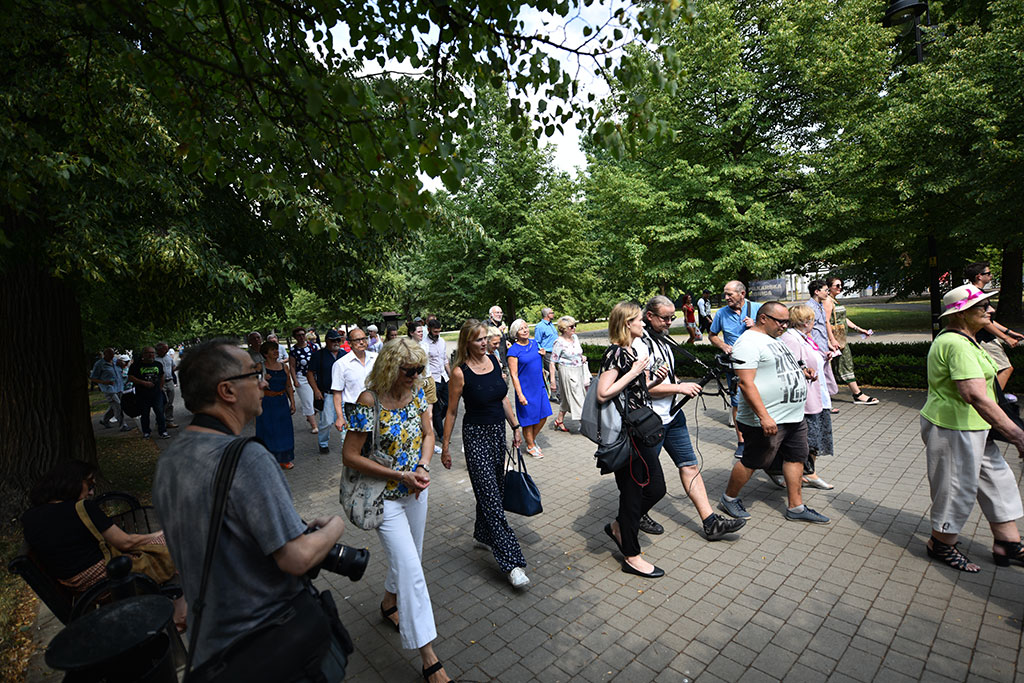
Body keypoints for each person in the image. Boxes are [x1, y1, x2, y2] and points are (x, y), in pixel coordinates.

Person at [154, 339, 347, 677]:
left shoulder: (171, 459)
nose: (264, 381)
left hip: (214, 650)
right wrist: (334, 528)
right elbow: (296, 557)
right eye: (255, 374)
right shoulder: (247, 457)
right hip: (272, 645)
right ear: (227, 391)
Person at [342, 339, 453, 683]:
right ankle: (430, 661)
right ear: (390, 366)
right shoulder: (368, 401)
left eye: (420, 369)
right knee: (411, 572)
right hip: (384, 497)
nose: (417, 375)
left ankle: (389, 604)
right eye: (410, 370)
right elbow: (350, 455)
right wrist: (398, 475)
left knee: (411, 559)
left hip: (415, 491)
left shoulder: (418, 391)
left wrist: (422, 465)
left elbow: (428, 433)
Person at [920, 284, 1024, 572]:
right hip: (953, 427)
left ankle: (1008, 543)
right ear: (962, 313)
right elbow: (974, 394)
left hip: (975, 426)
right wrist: (1017, 435)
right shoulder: (954, 343)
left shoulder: (968, 339)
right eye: (983, 307)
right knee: (956, 487)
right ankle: (940, 543)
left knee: (997, 481)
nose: (990, 311)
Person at [21, 459, 185, 629]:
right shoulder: (81, 508)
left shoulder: (30, 517)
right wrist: (158, 534)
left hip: (76, 585)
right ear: (72, 482)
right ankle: (178, 615)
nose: (91, 492)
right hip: (107, 579)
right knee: (174, 539)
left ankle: (177, 606)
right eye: (89, 483)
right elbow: (126, 542)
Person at [634, 296, 747, 542]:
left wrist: (676, 385)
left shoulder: (663, 340)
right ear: (649, 316)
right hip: (648, 421)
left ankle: (710, 522)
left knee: (689, 465)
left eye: (671, 317)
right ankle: (633, 516)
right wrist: (680, 388)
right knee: (646, 479)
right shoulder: (638, 345)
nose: (669, 322)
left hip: (673, 416)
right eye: (664, 318)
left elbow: (666, 377)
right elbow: (641, 388)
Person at [717, 302, 830, 525]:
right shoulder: (748, 343)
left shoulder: (775, 340)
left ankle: (796, 507)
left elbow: (780, 368)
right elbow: (746, 384)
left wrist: (803, 372)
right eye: (781, 322)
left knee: (796, 457)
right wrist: (764, 416)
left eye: (787, 322)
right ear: (763, 319)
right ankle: (729, 498)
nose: (785, 326)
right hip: (767, 419)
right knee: (753, 460)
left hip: (794, 416)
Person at [440, 320, 529, 588]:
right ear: (467, 342)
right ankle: (512, 563)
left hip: (496, 434)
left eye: (486, 338)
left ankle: (482, 532)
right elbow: (452, 411)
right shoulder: (460, 372)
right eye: (478, 339)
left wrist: (515, 426)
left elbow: (502, 397)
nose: (485, 343)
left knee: (494, 489)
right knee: (491, 497)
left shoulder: (493, 361)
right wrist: (445, 447)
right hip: (476, 436)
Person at [597, 301, 670, 577]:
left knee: (656, 488)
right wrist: (635, 372)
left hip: (641, 430)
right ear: (627, 323)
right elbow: (604, 393)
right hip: (627, 436)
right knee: (632, 493)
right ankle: (631, 555)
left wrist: (650, 381)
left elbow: (632, 394)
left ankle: (619, 526)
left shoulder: (631, 351)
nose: (643, 323)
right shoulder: (615, 353)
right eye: (639, 320)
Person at [769, 304, 836, 490]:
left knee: (814, 438)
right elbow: (790, 368)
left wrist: (824, 357)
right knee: (808, 439)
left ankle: (806, 472)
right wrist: (805, 372)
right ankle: (802, 473)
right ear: (806, 322)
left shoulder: (804, 337)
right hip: (805, 399)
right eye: (813, 320)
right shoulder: (792, 339)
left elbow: (808, 360)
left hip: (816, 395)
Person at [709, 280, 761, 456]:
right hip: (735, 366)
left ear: (742, 294)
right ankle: (742, 441)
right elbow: (712, 335)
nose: (726, 297)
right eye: (725, 294)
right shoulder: (721, 314)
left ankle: (762, 436)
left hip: (758, 365)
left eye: (729, 294)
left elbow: (776, 333)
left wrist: (755, 327)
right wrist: (723, 346)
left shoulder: (758, 309)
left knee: (761, 398)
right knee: (737, 401)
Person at [964, 263, 1022, 394]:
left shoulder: (976, 293)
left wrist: (1009, 332)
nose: (991, 276)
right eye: (988, 273)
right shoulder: (975, 294)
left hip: (982, 338)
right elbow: (984, 322)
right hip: (983, 338)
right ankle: (993, 401)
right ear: (979, 276)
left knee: (988, 371)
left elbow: (989, 320)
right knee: (1005, 368)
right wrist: (1006, 338)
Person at [823, 277, 879, 406]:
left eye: (841, 285)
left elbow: (842, 318)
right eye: (837, 285)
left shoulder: (833, 300)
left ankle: (853, 394)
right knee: (843, 365)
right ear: (829, 287)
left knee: (842, 365)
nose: (840, 288)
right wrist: (831, 340)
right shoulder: (827, 301)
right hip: (835, 341)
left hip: (840, 339)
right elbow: (826, 321)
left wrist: (859, 329)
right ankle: (858, 394)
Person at [507, 318, 553, 457]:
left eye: (526, 327)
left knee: (544, 415)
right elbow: (514, 375)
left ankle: (530, 439)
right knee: (528, 420)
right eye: (521, 329)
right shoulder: (513, 351)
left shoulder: (534, 343)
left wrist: (543, 354)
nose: (525, 330)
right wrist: (520, 394)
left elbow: (538, 359)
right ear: (515, 333)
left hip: (539, 386)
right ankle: (531, 445)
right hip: (525, 388)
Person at [331, 327, 376, 443]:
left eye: (364, 339)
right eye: (357, 340)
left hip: (376, 406)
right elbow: (337, 393)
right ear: (349, 343)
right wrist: (340, 417)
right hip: (354, 410)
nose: (361, 342)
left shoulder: (376, 358)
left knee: (377, 443)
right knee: (357, 445)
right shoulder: (341, 364)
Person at [256, 341, 296, 469]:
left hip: (281, 401)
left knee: (284, 430)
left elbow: (288, 385)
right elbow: (249, 384)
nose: (276, 351)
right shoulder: (259, 367)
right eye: (272, 350)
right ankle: (268, 459)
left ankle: (285, 459)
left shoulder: (284, 367)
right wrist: (262, 378)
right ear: (265, 354)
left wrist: (293, 402)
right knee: (268, 430)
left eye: (276, 349)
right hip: (266, 402)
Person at [307, 330, 346, 455]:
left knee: (345, 419)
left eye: (338, 340)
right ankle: (323, 443)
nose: (336, 342)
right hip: (327, 393)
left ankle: (346, 444)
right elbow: (310, 373)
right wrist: (316, 390)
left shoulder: (344, 354)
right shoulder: (318, 355)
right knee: (327, 421)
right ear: (327, 341)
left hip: (343, 393)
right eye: (332, 340)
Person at [549, 316, 589, 433]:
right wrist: (552, 381)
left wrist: (582, 357)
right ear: (564, 329)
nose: (574, 328)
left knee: (568, 398)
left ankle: (559, 420)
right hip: (567, 371)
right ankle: (585, 425)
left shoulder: (575, 337)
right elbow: (552, 362)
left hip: (579, 369)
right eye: (571, 326)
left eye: (575, 325)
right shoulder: (559, 342)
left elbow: (577, 352)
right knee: (578, 397)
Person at [422, 319, 451, 455]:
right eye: (435, 332)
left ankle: (440, 426)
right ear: (429, 330)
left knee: (448, 404)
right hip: (433, 379)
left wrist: (450, 375)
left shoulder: (442, 341)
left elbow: (444, 359)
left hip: (444, 377)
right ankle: (441, 433)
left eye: (439, 331)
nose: (437, 334)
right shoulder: (424, 345)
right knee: (436, 408)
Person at [127, 346, 168, 439]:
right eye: (148, 353)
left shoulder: (158, 364)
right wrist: (143, 383)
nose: (151, 355)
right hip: (142, 394)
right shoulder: (136, 365)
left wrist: (161, 387)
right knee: (145, 414)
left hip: (156, 394)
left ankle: (163, 431)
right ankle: (146, 432)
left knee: (160, 412)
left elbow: (162, 375)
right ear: (143, 354)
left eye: (153, 353)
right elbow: (130, 377)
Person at [90, 347, 133, 431]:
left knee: (114, 406)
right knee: (118, 405)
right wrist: (104, 382)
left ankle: (104, 420)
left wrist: (122, 364)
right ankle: (123, 425)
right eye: (110, 355)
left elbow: (122, 370)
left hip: (119, 387)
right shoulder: (99, 364)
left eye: (113, 355)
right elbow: (93, 378)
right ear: (105, 354)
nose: (112, 356)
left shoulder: (115, 361)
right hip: (109, 389)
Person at [289, 327, 321, 435]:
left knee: (316, 400)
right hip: (302, 377)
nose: (301, 337)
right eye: (298, 335)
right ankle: (314, 426)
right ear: (295, 337)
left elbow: (320, 360)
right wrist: (295, 380)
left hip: (316, 377)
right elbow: (292, 366)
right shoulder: (294, 350)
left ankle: (310, 415)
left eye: (303, 334)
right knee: (307, 401)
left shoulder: (313, 347)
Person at [534, 307, 558, 400]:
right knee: (554, 374)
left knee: (557, 374)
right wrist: (541, 351)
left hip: (555, 352)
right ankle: (557, 395)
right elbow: (537, 341)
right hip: (547, 353)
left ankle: (553, 394)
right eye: (552, 312)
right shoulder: (540, 326)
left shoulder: (551, 325)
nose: (553, 314)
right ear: (548, 315)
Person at [155, 342, 178, 428]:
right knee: (163, 403)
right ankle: (160, 421)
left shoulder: (168, 357)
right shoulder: (155, 359)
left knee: (170, 403)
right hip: (160, 383)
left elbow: (173, 367)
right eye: (165, 349)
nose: (167, 350)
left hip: (170, 381)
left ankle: (169, 421)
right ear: (159, 350)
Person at [487, 305, 509, 371]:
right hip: (492, 363)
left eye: (501, 313)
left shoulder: (501, 324)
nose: (499, 315)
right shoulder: (485, 325)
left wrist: (506, 342)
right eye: (497, 312)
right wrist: (497, 330)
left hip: (504, 361)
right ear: (491, 314)